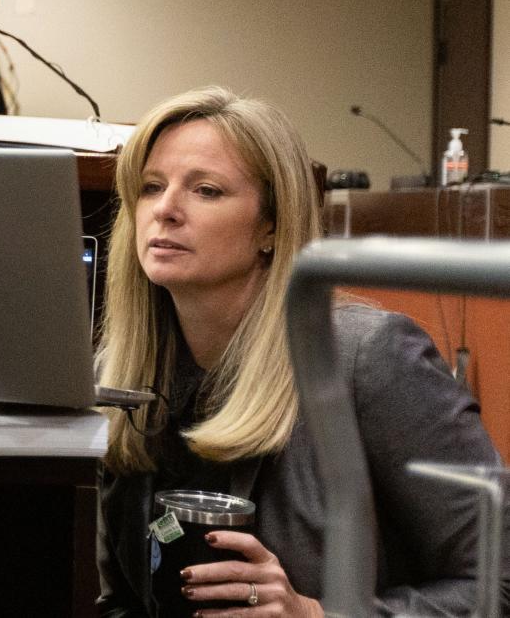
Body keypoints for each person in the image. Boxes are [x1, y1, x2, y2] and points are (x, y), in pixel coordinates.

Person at [94, 86, 505, 616]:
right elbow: (118, 599)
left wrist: (314, 614)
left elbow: (498, 582)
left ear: (270, 225)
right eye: (151, 187)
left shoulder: (369, 358)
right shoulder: (121, 372)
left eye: (207, 191)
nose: (166, 210)